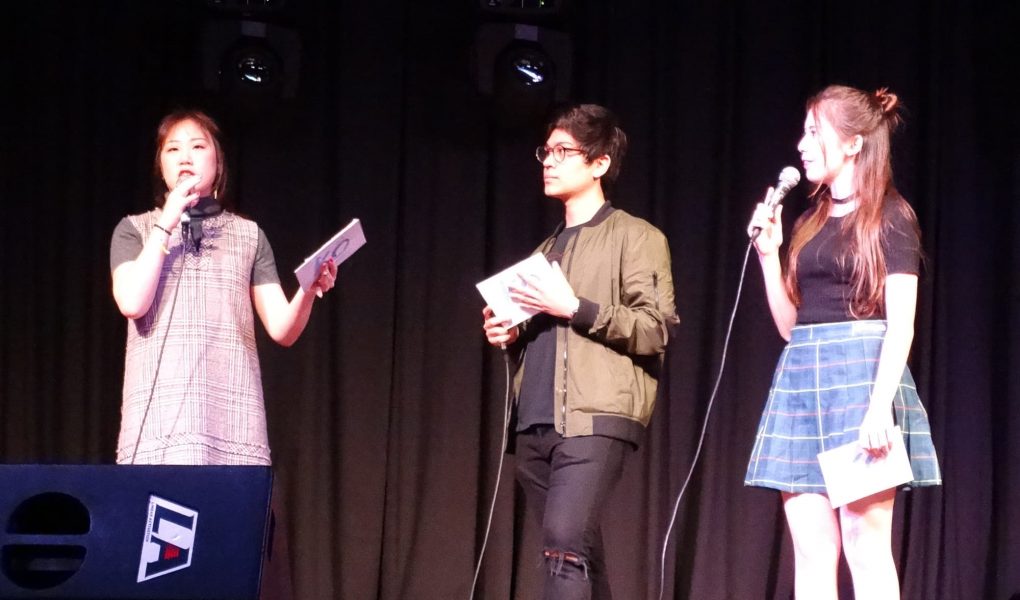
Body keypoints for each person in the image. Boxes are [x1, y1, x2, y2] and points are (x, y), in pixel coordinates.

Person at [744, 85, 941, 599]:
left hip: (860, 379)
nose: (802, 145)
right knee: (811, 550)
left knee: (864, 545)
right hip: (801, 381)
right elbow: (791, 327)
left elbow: (902, 324)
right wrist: (769, 256)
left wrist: (878, 407)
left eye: (815, 132)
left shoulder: (891, 216)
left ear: (854, 143)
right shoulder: (808, 223)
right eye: (804, 132)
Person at [482, 103, 678, 599]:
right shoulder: (541, 252)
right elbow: (545, 341)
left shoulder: (636, 236)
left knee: (564, 543)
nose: (549, 161)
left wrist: (574, 306)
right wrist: (509, 335)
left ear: (599, 163)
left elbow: (655, 328)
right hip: (535, 423)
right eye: (546, 151)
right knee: (576, 549)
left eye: (563, 151)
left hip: (595, 418)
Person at [110, 109, 337, 466]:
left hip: (233, 423)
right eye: (173, 149)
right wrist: (166, 223)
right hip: (157, 423)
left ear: (218, 162)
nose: (185, 157)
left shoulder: (249, 235)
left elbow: (282, 329)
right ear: (160, 165)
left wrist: (308, 289)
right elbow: (132, 302)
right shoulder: (135, 230)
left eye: (198, 146)